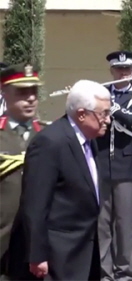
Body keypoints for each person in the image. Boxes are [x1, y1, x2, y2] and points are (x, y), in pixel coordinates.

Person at [20, 80, 111, 280]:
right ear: (81, 114)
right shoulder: (51, 143)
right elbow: (35, 204)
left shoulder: (89, 141)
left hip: (85, 250)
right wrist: (37, 255)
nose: (108, 120)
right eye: (103, 113)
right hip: (58, 255)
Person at [97, 51, 132, 281]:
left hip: (127, 165)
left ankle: (126, 271)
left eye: (127, 69)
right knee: (102, 222)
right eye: (119, 70)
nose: (123, 73)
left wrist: (113, 109)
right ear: (112, 71)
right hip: (101, 164)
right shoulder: (101, 94)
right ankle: (104, 271)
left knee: (125, 222)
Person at [0, 63, 47, 281]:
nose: (30, 99)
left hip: (33, 247)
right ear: (4, 93)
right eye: (22, 92)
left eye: (34, 92)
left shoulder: (48, 137)